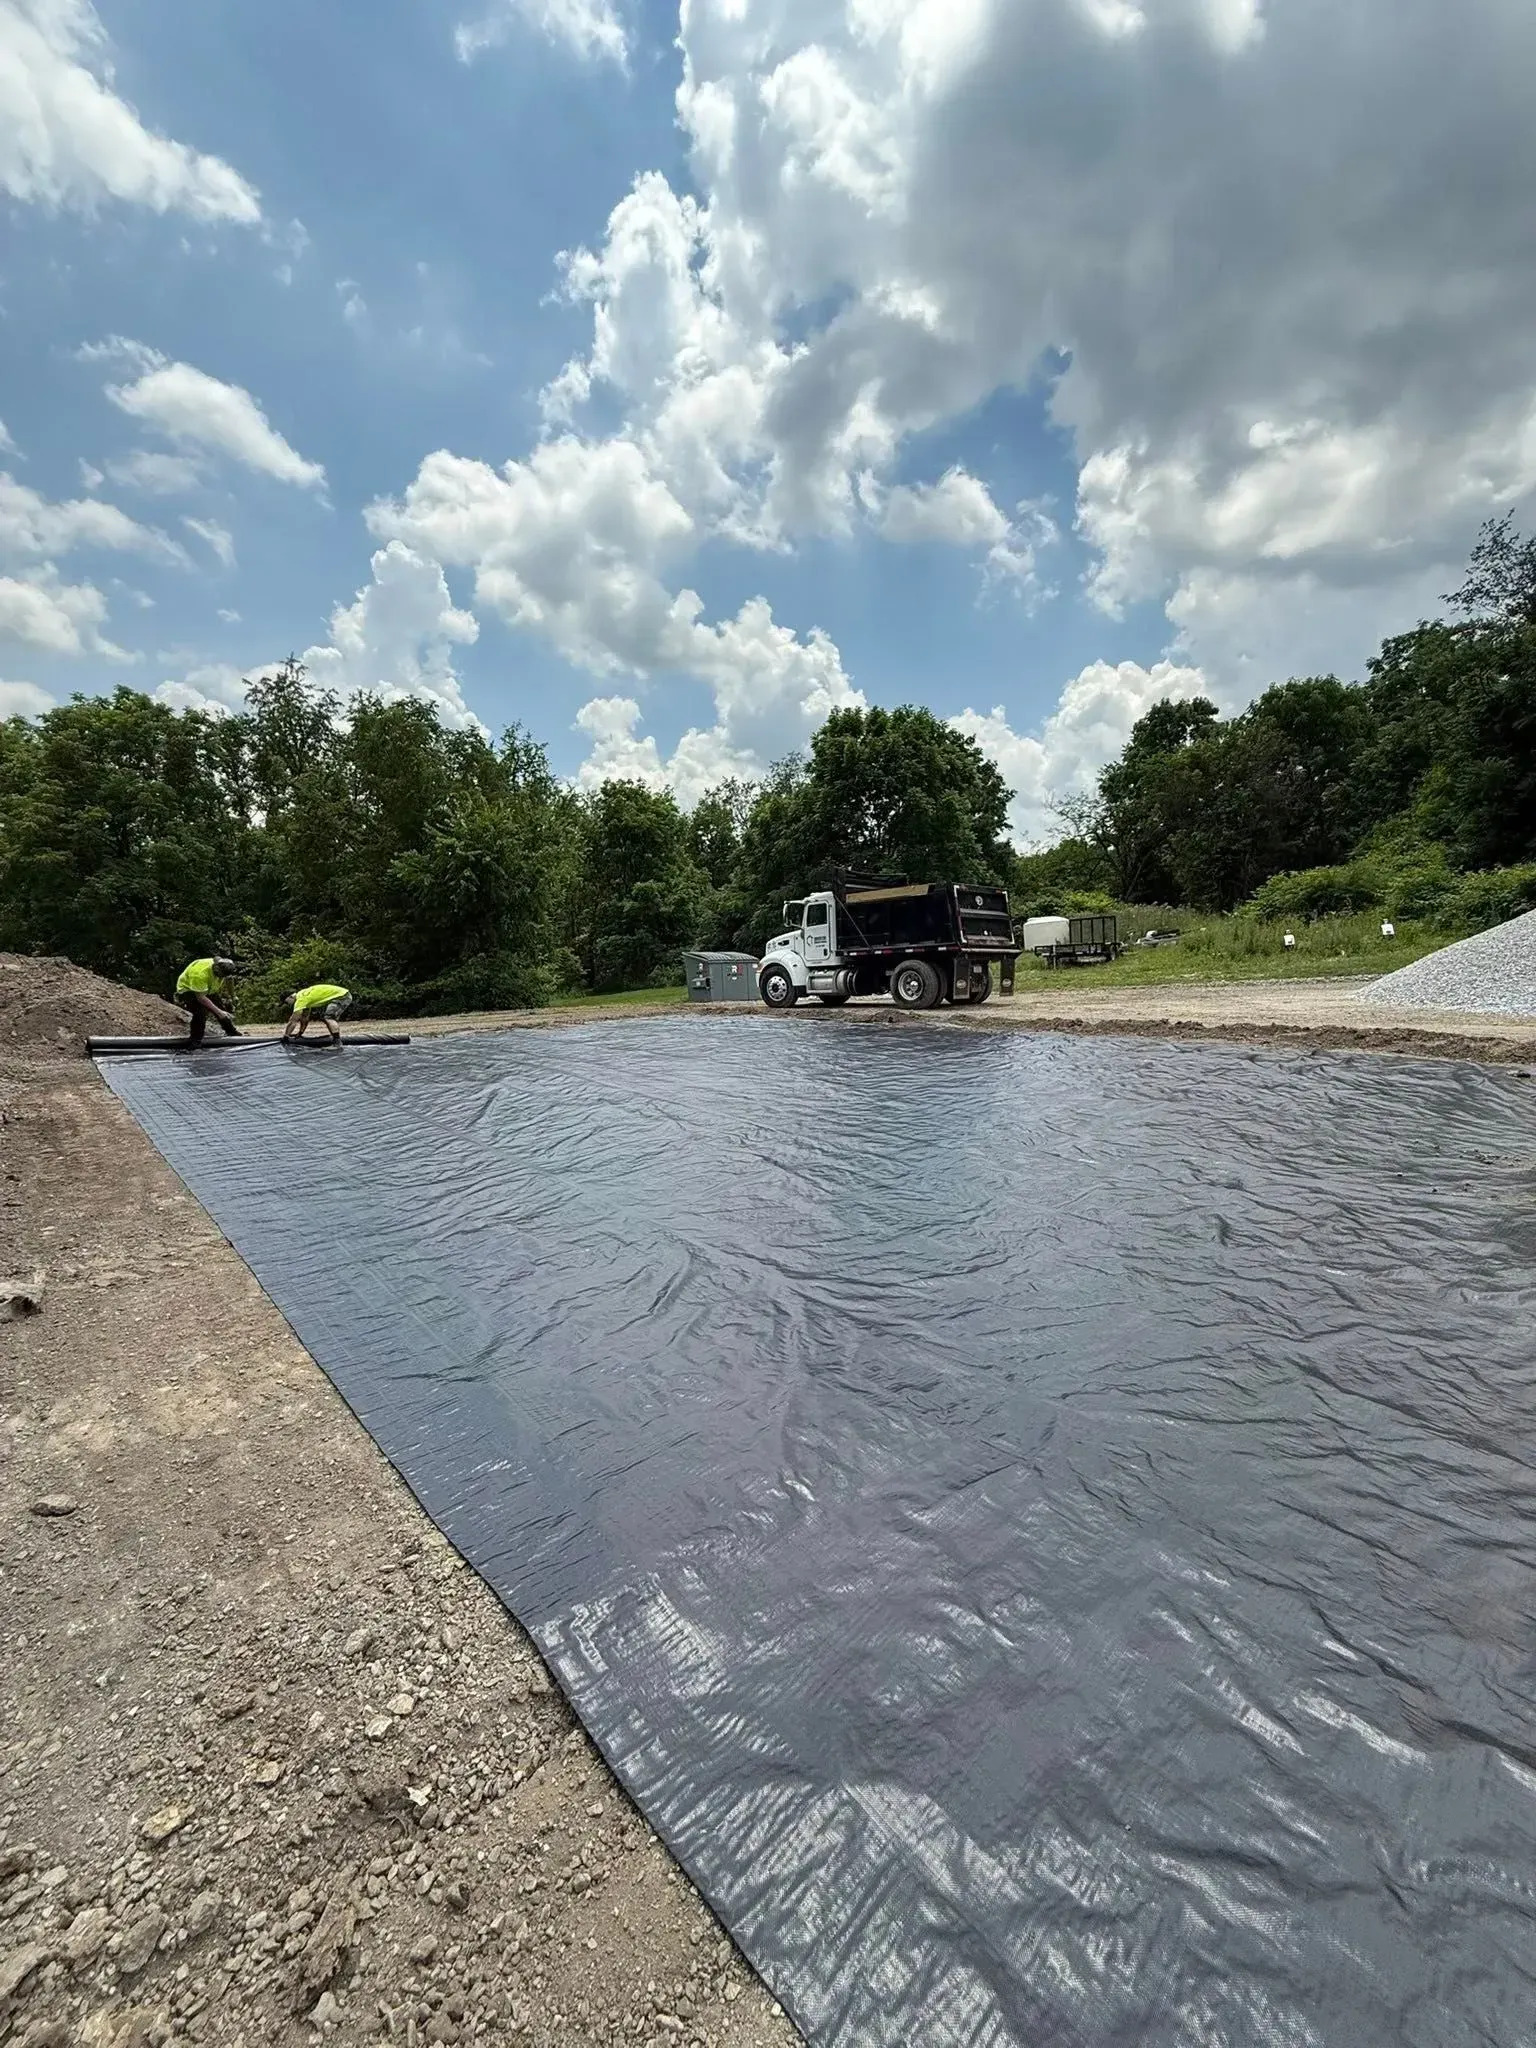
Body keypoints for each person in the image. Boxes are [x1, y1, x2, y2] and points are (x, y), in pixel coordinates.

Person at [175, 956, 241, 1046]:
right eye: (221, 976)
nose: (221, 979)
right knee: (200, 1012)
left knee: (221, 1009)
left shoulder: (224, 968)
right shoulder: (199, 974)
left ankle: (231, 1032)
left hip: (209, 989)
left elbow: (229, 979)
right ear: (216, 969)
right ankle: (195, 1041)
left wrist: (233, 996)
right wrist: (219, 1012)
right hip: (188, 990)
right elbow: (201, 998)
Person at [283, 982, 352, 1046]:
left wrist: (286, 1036)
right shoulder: (302, 996)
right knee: (326, 1017)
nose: (287, 1004)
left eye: (286, 1002)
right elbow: (305, 1018)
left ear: (290, 997)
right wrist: (300, 1033)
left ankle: (337, 1042)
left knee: (328, 1018)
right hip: (342, 994)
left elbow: (293, 1021)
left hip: (342, 996)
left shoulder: (300, 1000)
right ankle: (335, 1039)